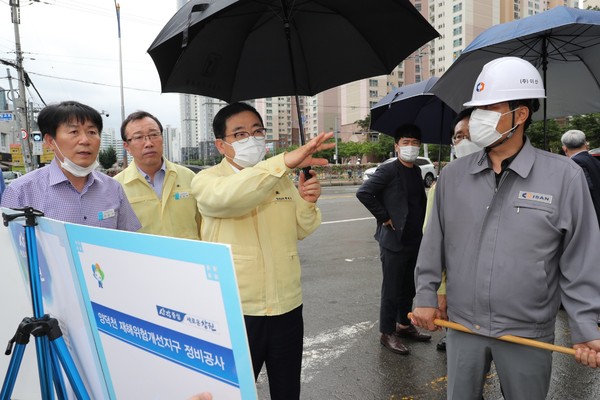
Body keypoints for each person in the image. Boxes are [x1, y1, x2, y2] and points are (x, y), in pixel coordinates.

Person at [412, 57, 600, 400]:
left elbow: (581, 260)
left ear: (522, 114)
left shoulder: (564, 177)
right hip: (462, 325)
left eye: (490, 107)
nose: (478, 117)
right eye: (477, 107)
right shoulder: (453, 176)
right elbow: (433, 244)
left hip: (527, 330)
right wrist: (426, 295)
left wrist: (585, 327)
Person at [191, 102, 334, 400]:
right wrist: (283, 161)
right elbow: (234, 198)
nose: (252, 139)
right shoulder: (207, 181)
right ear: (221, 145)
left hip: (287, 307)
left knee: (287, 391)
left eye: (258, 131)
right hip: (238, 310)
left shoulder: (279, 178)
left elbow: (301, 229)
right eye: (240, 134)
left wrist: (308, 202)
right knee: (234, 392)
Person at [1, 101, 140, 231]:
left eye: (92, 132)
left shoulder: (113, 188)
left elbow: (129, 242)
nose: (85, 140)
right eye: (74, 132)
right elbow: (8, 249)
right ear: (50, 141)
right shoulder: (21, 191)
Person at [356, 124, 431, 355]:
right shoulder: (389, 170)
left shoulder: (417, 170)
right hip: (394, 240)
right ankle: (387, 332)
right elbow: (364, 192)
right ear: (396, 146)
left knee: (408, 286)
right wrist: (384, 216)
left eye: (415, 143)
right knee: (391, 288)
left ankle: (403, 325)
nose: (411, 147)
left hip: (413, 239)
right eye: (406, 142)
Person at [114, 111, 201, 239]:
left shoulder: (189, 177)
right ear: (126, 146)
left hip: (189, 258)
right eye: (138, 137)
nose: (148, 143)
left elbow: (202, 224)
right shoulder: (117, 186)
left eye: (154, 135)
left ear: (162, 138)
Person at [434, 107, 479, 352]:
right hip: (460, 295)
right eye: (458, 136)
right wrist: (440, 292)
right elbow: (433, 245)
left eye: (470, 134)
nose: (463, 141)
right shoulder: (444, 183)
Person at [561, 129, 600, 226]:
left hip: (589, 218)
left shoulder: (574, 164)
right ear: (586, 144)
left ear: (564, 148)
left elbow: (584, 190)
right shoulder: (595, 160)